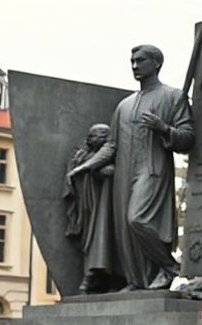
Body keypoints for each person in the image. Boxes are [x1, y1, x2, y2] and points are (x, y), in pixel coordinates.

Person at [69, 44, 194, 290]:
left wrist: (164, 129)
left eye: (141, 60)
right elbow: (111, 146)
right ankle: (137, 280)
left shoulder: (172, 96)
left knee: (137, 219)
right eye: (132, 61)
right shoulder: (124, 106)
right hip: (124, 174)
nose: (135, 66)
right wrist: (86, 167)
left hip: (152, 169)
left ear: (156, 63)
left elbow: (188, 138)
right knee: (125, 230)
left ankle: (168, 267)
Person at [64, 123, 120, 293]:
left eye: (103, 137)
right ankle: (92, 276)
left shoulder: (110, 157)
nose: (98, 139)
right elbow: (75, 175)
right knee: (89, 241)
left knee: (104, 239)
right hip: (86, 207)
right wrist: (96, 171)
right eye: (96, 136)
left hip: (104, 209)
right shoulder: (81, 156)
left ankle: (102, 277)